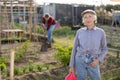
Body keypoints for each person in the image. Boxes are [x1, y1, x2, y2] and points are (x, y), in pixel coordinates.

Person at [69, 9, 108, 80]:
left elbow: (104, 49)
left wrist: (98, 60)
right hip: (80, 59)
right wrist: (71, 65)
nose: (87, 19)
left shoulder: (101, 32)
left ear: (94, 18)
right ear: (83, 20)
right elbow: (74, 49)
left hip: (93, 60)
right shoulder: (79, 32)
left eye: (90, 16)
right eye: (85, 17)